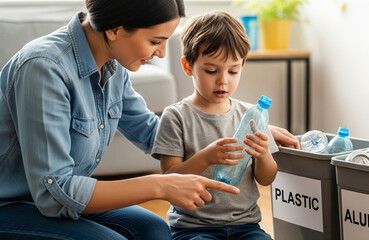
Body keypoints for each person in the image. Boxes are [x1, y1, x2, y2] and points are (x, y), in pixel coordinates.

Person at [0, 1, 245, 239]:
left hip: (55, 201)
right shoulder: (44, 68)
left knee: (155, 231)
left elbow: (155, 133)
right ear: (115, 28)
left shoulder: (113, 67)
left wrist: (244, 131)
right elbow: (54, 193)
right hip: (13, 204)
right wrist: (160, 185)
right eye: (155, 41)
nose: (160, 52)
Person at [151, 11, 290, 240]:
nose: (223, 80)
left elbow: (266, 178)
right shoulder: (176, 116)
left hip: (246, 226)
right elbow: (169, 178)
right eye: (211, 70)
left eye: (233, 71)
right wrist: (206, 157)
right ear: (188, 67)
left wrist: (264, 155)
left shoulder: (252, 116)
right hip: (193, 228)